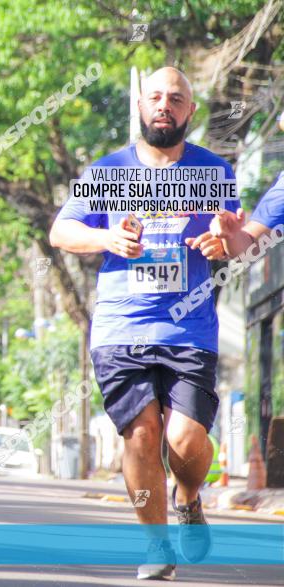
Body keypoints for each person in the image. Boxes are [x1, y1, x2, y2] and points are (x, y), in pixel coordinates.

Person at [49, 67, 237, 580]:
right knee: (140, 435)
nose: (164, 105)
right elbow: (61, 230)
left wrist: (223, 240)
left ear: (189, 111)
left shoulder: (213, 173)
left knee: (184, 441)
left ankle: (190, 497)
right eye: (155, 96)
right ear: (140, 104)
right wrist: (106, 240)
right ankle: (156, 547)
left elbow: (232, 235)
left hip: (189, 328)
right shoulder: (108, 173)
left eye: (176, 98)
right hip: (121, 328)